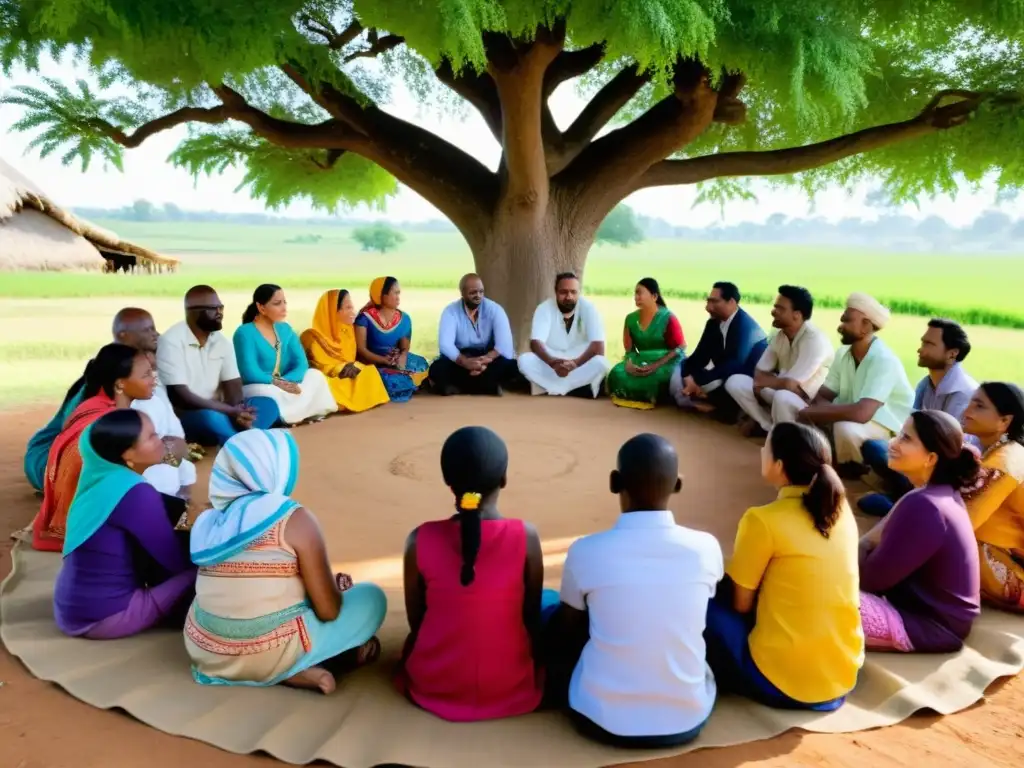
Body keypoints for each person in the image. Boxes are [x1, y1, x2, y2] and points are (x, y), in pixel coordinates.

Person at [547, 434, 723, 748]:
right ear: (677, 485)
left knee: (558, 611)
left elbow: (565, 630)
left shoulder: (586, 550)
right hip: (686, 720)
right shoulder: (706, 548)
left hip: (599, 719)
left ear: (615, 482)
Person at [185, 429, 388, 693]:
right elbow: (329, 611)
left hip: (207, 652)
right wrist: (337, 592)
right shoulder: (294, 517)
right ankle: (290, 668)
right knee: (371, 597)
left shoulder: (209, 521)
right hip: (271, 650)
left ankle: (286, 670)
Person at [396, 426, 554, 722]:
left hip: (434, 685)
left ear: (447, 481)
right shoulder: (526, 537)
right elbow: (530, 618)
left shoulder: (419, 540)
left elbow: (417, 621)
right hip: (511, 686)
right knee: (549, 600)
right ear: (504, 480)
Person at [704, 423, 862, 711]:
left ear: (778, 465)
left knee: (702, 604)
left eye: (766, 448)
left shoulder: (762, 520)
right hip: (841, 675)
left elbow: (741, 605)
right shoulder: (841, 511)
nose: (761, 452)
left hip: (782, 682)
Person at [53, 410, 197, 639]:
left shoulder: (98, 478)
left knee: (173, 506)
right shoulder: (135, 492)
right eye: (150, 437)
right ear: (127, 454)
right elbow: (172, 561)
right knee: (209, 571)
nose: (160, 439)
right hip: (107, 617)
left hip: (72, 609)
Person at [858, 411, 981, 652]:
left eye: (905, 438)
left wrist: (862, 545)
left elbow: (869, 580)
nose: (893, 442)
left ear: (931, 458)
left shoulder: (925, 504)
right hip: (931, 618)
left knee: (809, 592)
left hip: (927, 626)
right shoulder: (934, 494)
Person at [32, 343, 156, 552]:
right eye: (145, 375)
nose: (153, 379)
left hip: (67, 518)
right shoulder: (107, 422)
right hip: (85, 527)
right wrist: (172, 453)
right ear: (120, 385)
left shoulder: (96, 404)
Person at [859, 319, 978, 516]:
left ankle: (904, 502)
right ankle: (903, 495)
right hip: (921, 458)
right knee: (874, 448)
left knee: (880, 488)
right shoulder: (925, 384)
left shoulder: (963, 393)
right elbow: (910, 426)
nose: (920, 349)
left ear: (952, 353)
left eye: (929, 344)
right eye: (923, 343)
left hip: (942, 467)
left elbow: (948, 449)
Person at [790, 293, 915, 473]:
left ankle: (858, 474)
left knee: (844, 428)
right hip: (854, 417)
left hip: (889, 427)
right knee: (806, 414)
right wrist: (817, 411)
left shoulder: (884, 360)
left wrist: (818, 412)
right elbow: (824, 394)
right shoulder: (843, 353)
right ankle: (825, 465)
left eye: (847, 321)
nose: (840, 327)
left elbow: (863, 413)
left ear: (866, 325)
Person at [157, 285, 280, 446]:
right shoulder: (170, 341)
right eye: (213, 308)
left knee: (269, 404)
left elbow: (234, 386)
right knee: (209, 417)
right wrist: (229, 411)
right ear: (192, 311)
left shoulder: (221, 342)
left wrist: (239, 411)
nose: (219, 313)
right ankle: (242, 442)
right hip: (189, 414)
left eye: (220, 307)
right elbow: (181, 397)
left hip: (224, 411)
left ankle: (242, 433)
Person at [724, 286, 834, 437]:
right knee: (735, 382)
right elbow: (760, 372)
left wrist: (770, 382)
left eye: (780, 308)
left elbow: (792, 385)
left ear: (797, 315)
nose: (773, 311)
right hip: (782, 393)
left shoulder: (815, 340)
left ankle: (789, 440)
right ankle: (768, 427)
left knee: (782, 396)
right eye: (775, 307)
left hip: (809, 404)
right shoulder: (780, 335)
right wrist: (774, 382)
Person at [233, 284, 337, 425]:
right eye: (277, 303)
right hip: (262, 385)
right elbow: (249, 372)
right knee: (270, 394)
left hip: (285, 384)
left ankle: (290, 415)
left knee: (315, 375)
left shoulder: (285, 329)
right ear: (261, 308)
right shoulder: (244, 332)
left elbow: (301, 363)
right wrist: (276, 383)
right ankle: (297, 413)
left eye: (284, 302)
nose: (284, 308)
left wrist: (287, 381)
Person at [960, 382, 1024, 611]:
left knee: (955, 548)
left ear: (1005, 421)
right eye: (970, 403)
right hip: (1006, 548)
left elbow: (963, 522)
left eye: (979, 406)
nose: (967, 411)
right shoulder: (1002, 453)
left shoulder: (1004, 462)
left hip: (1013, 564)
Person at [670, 282, 768, 422]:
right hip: (721, 373)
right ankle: (699, 396)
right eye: (708, 301)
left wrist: (701, 384)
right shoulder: (713, 324)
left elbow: (734, 365)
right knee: (680, 368)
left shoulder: (745, 327)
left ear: (732, 302)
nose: (708, 308)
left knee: (726, 383)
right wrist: (688, 376)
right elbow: (699, 356)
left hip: (745, 378)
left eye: (714, 302)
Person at [517, 272, 612, 398]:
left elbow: (599, 347)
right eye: (564, 292)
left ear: (579, 292)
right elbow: (535, 343)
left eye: (573, 292)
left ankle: (553, 388)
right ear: (555, 292)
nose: (569, 296)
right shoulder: (544, 308)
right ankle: (575, 389)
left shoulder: (589, 308)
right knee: (524, 360)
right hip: (552, 362)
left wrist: (574, 364)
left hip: (580, 362)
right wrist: (553, 363)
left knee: (602, 363)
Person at [299, 289, 390, 413]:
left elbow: (352, 360)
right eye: (348, 307)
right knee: (322, 384)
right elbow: (320, 366)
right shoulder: (312, 337)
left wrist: (355, 366)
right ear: (333, 312)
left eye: (352, 307)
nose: (352, 311)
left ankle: (344, 401)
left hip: (349, 374)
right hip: (329, 378)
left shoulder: (348, 330)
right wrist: (342, 368)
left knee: (370, 372)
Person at [429, 274, 520, 396]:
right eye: (473, 292)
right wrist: (465, 362)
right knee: (437, 368)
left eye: (481, 292)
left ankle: (462, 387)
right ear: (462, 292)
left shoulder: (495, 309)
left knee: (511, 366)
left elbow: (504, 345)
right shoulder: (450, 311)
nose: (478, 296)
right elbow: (446, 345)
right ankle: (487, 386)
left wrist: (484, 361)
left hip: (488, 359)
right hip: (460, 360)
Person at [606, 278, 686, 409]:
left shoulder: (668, 317)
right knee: (617, 372)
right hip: (641, 360)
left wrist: (655, 365)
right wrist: (630, 364)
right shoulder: (630, 319)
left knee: (655, 377)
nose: (636, 297)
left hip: (667, 361)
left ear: (654, 296)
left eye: (639, 293)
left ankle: (656, 397)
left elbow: (680, 347)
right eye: (635, 294)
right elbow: (630, 350)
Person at [354, 276, 430, 403]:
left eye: (399, 293)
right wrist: (383, 360)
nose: (398, 297)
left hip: (394, 360)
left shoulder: (404, 318)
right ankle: (405, 383)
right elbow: (361, 350)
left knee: (422, 365)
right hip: (372, 364)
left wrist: (402, 356)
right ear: (382, 295)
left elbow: (404, 347)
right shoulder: (364, 318)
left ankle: (406, 381)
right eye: (395, 293)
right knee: (392, 381)